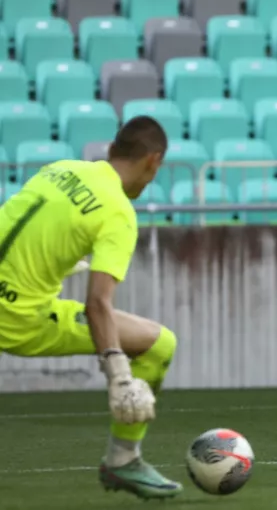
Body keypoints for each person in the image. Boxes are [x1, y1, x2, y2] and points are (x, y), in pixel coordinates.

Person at [0, 116, 181, 499]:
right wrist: (119, 376)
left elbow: (19, 225)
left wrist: (62, 261)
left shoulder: (60, 168)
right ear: (153, 161)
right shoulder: (117, 212)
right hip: (16, 319)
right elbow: (97, 304)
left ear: (112, 150)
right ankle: (123, 459)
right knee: (158, 344)